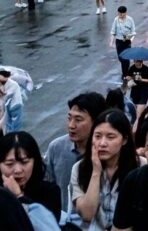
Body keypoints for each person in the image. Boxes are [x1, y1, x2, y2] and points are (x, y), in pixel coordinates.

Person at [69, 109, 140, 231]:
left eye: (110, 137)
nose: (102, 143)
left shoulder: (141, 167)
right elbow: (87, 214)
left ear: (124, 140)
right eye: (97, 136)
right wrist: (96, 172)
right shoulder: (80, 168)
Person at [45, 91, 106, 224]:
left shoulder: (107, 152)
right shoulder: (56, 147)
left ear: (97, 122)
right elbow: (46, 185)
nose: (71, 125)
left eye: (78, 120)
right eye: (69, 118)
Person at [0, 132, 61, 221]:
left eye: (24, 162)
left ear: (35, 161)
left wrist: (20, 196)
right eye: (9, 164)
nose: (18, 170)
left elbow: (47, 225)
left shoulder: (50, 192)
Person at [109, 6, 136, 78]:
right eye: (119, 13)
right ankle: (126, 72)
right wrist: (111, 42)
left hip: (127, 42)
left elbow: (133, 32)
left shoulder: (130, 20)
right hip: (119, 42)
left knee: (126, 58)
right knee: (121, 58)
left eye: (121, 14)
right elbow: (113, 32)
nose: (120, 15)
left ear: (125, 13)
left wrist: (129, 38)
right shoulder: (116, 19)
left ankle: (125, 74)